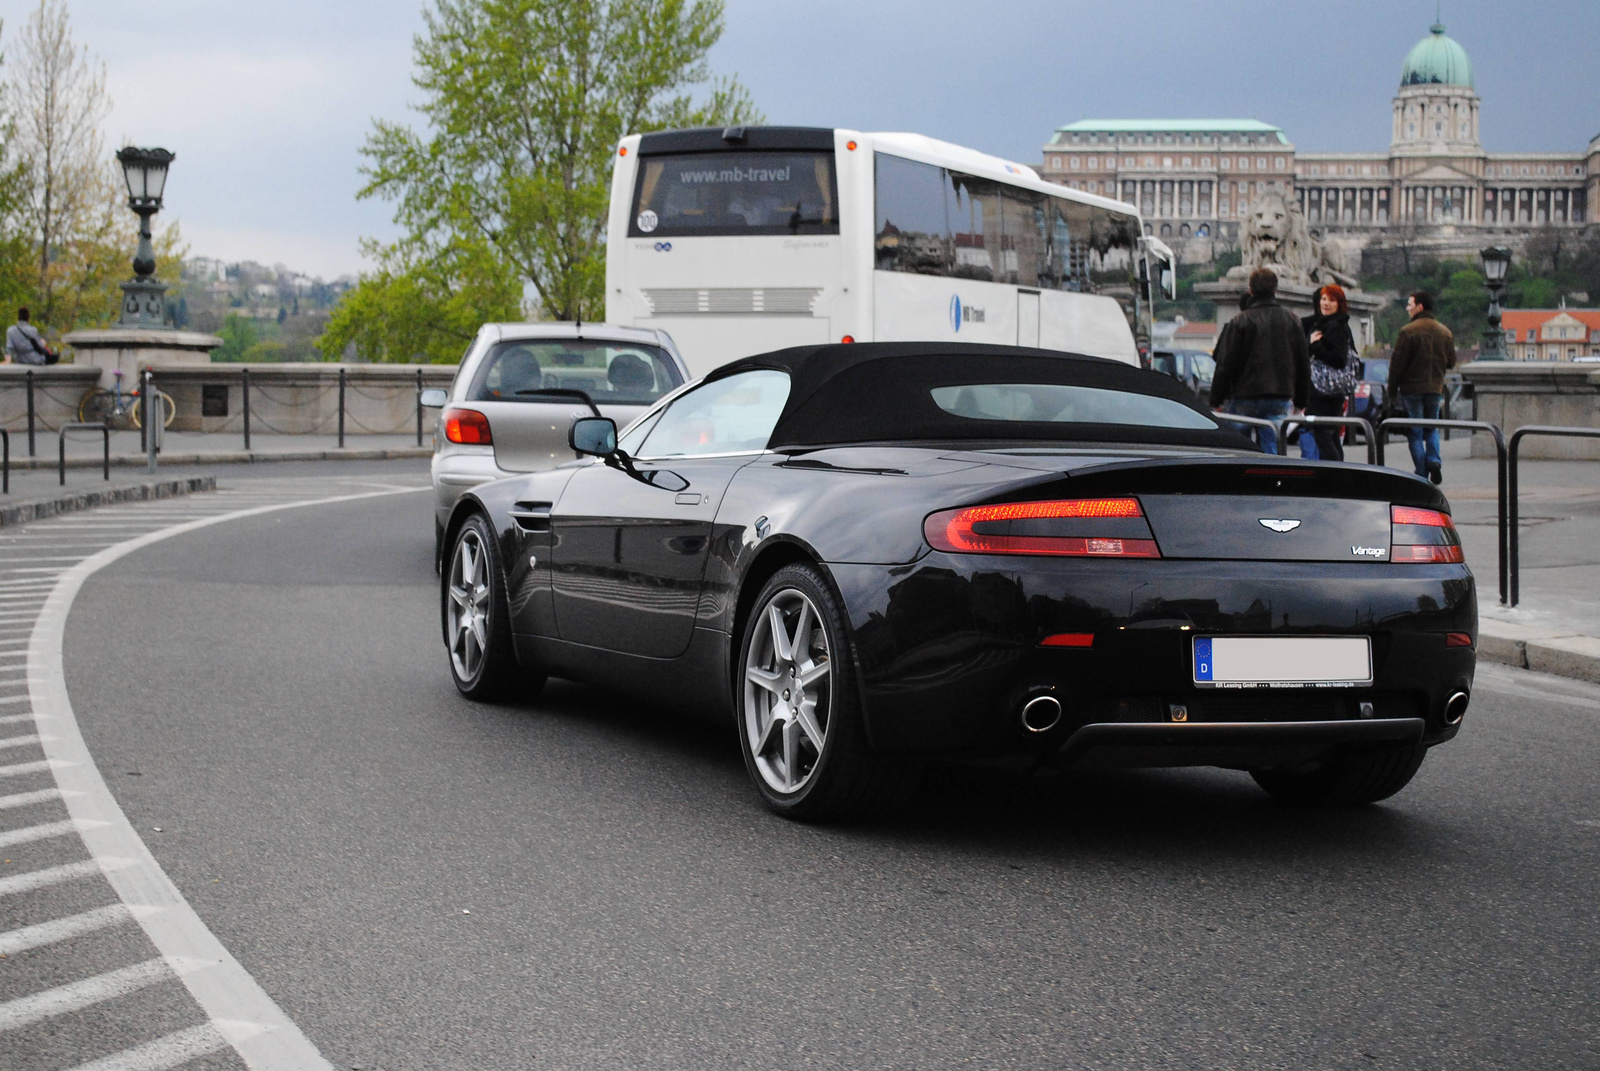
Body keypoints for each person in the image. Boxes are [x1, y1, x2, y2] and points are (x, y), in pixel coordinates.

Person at [1208, 268, 1310, 454]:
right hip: (1280, 393)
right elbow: (1303, 364)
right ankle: (1271, 478)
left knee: (1239, 447)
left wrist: (1216, 399)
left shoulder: (1239, 321)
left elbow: (1225, 364)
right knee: (1272, 445)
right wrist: (1301, 400)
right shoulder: (1292, 321)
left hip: (1245, 394)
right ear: (1275, 289)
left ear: (1251, 290)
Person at [1388, 290, 1456, 484]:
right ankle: (1434, 460)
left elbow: (1397, 364)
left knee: (1416, 432)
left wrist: (1392, 391)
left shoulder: (1408, 331)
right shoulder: (1445, 331)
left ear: (1420, 307)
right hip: (1435, 388)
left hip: (1412, 389)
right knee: (1432, 427)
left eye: (1410, 304)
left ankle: (1421, 471)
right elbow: (1451, 361)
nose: (1407, 308)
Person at [1300, 284, 1357, 461]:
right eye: (1323, 299)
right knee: (1330, 436)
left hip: (1326, 392)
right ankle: (1338, 473)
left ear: (1339, 304)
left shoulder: (1337, 326)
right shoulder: (1325, 324)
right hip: (1324, 390)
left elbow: (1338, 359)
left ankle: (1335, 474)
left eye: (1331, 300)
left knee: (1324, 436)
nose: (1326, 303)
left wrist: (1316, 345)